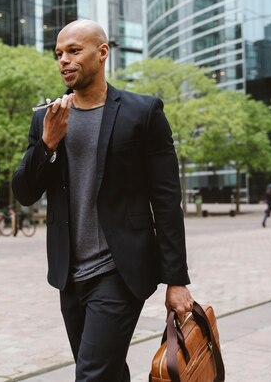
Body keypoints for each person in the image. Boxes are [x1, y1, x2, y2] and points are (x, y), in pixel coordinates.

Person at [12, 19, 194, 381]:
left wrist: (177, 279)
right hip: (69, 273)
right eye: (59, 54)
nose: (64, 60)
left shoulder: (142, 113)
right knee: (105, 372)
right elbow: (25, 192)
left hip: (120, 270)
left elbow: (166, 198)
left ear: (102, 52)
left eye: (74, 51)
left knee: (91, 374)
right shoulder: (48, 118)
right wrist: (47, 143)